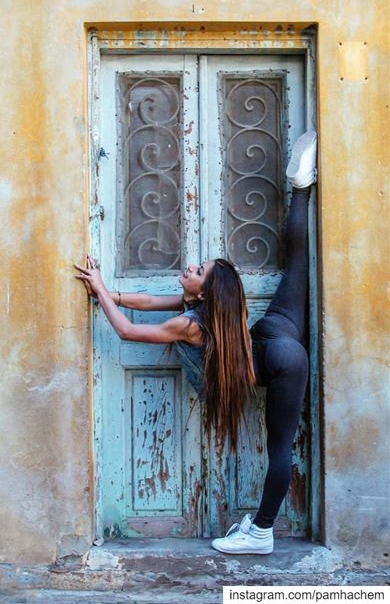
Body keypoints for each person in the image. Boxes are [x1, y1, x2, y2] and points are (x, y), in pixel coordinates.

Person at [74, 131, 318, 555]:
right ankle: (302, 187)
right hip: (273, 335)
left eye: (197, 269)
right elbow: (148, 301)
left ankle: (260, 533)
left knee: (280, 447)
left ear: (203, 292)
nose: (190, 266)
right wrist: (106, 290)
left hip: (280, 361)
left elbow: (129, 331)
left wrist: (99, 294)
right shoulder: (213, 305)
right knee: (297, 265)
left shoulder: (192, 325)